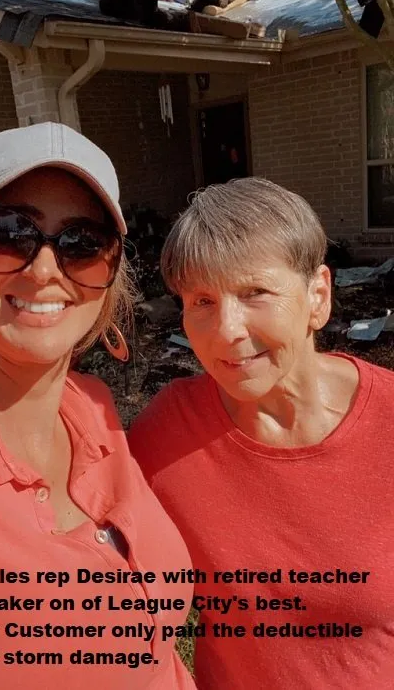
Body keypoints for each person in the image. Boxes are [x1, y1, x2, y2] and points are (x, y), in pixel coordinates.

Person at [0, 122, 197, 690]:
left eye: (82, 244)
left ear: (111, 279)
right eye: (6, 234)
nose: (44, 270)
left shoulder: (91, 409)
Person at [129, 177, 394, 690]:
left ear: (317, 295)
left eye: (255, 292)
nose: (226, 328)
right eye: (201, 300)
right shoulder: (166, 433)